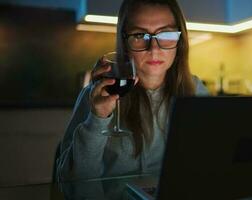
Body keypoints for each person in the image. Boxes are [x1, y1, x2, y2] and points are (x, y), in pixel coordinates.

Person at [56, 0, 209, 181]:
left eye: (166, 34)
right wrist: (97, 119)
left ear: (180, 39)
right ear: (124, 41)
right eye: (139, 35)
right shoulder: (98, 95)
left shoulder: (196, 90)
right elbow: (70, 185)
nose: (154, 49)